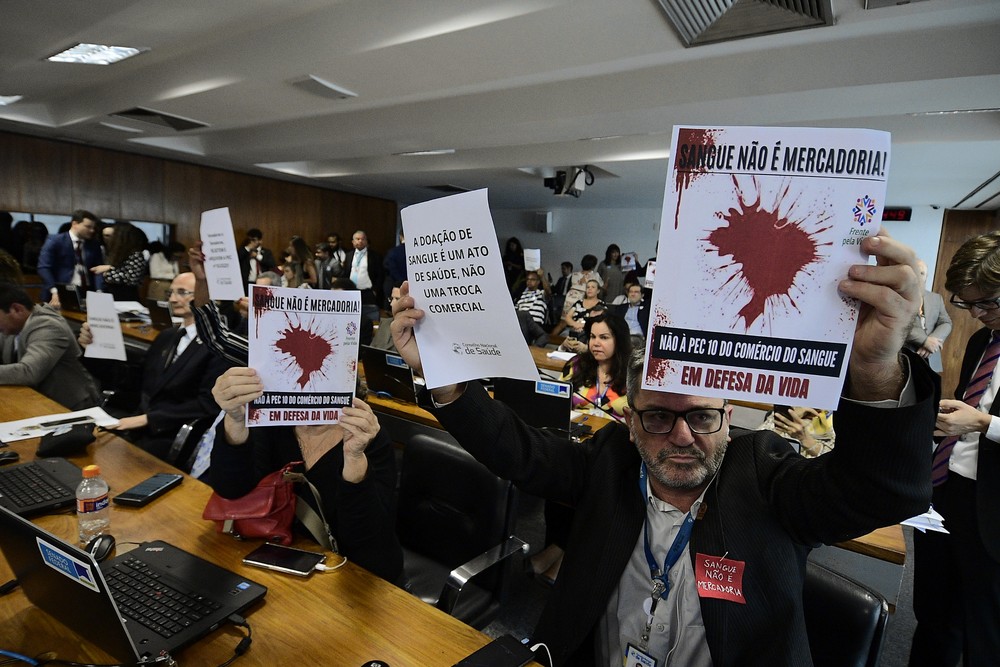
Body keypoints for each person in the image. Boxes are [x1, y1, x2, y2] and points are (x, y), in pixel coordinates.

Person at [391, 230, 936, 667]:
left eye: (701, 416)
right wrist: (446, 380)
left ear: (728, 416)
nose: (681, 437)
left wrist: (875, 371)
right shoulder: (609, 461)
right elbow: (519, 451)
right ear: (630, 421)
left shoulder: (769, 477)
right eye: (657, 417)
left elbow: (882, 491)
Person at [208, 366, 404, 583]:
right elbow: (231, 489)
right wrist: (235, 420)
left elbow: (364, 538)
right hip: (280, 556)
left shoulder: (367, 437)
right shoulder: (271, 422)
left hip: (354, 577)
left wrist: (354, 457)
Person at [909, 231, 1000, 667]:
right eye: (969, 305)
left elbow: (981, 418)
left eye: (989, 303)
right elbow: (971, 403)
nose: (980, 315)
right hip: (945, 493)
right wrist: (949, 421)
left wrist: (983, 423)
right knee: (932, 615)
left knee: (984, 630)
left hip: (994, 509)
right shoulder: (984, 342)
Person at [78, 273, 230, 461]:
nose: (173, 299)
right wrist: (93, 350)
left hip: (171, 430)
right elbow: (133, 381)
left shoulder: (219, 346)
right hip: (138, 419)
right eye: (171, 292)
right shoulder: (168, 336)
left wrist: (149, 419)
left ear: (208, 297)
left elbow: (208, 404)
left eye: (182, 292)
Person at [0, 282, 100, 409]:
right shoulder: (11, 326)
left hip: (68, 406)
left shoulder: (48, 325)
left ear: (16, 309)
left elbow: (29, 372)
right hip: (35, 400)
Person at [37, 209, 103, 307]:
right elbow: (43, 267)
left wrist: (99, 291)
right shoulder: (55, 241)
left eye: (93, 227)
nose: (92, 230)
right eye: (88, 227)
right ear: (75, 224)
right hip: (61, 290)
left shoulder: (94, 245)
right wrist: (54, 290)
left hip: (87, 292)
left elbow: (97, 269)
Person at [904, 259, 952, 373]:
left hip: (931, 357)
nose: (918, 276)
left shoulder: (936, 298)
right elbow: (896, 325)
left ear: (926, 277)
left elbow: (946, 322)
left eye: (922, 273)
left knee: (930, 389)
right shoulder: (897, 297)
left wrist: (933, 341)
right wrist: (924, 341)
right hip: (904, 356)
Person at [91, 222, 149, 302]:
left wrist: (107, 272)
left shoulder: (136, 255)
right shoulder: (118, 254)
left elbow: (131, 278)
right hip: (111, 296)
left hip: (126, 298)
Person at [346, 230, 383, 326]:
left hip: (368, 292)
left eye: (363, 239)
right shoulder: (349, 255)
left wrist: (376, 290)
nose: (360, 241)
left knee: (369, 317)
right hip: (352, 291)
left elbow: (380, 275)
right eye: (357, 239)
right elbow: (346, 272)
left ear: (366, 241)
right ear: (353, 242)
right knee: (352, 317)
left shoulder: (374, 256)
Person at [563, 279, 606, 348]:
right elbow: (568, 317)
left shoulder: (601, 305)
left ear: (598, 291)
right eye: (588, 287)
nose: (590, 289)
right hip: (573, 329)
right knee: (565, 338)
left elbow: (599, 321)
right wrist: (576, 324)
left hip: (589, 331)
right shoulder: (579, 302)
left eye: (593, 287)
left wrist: (583, 326)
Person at [237, 229, 276, 295]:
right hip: (248, 283)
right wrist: (248, 248)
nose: (252, 242)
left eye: (254, 240)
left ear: (260, 241)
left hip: (263, 283)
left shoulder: (266, 252)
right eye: (250, 240)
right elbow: (237, 259)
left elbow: (272, 264)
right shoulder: (244, 252)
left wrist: (258, 256)